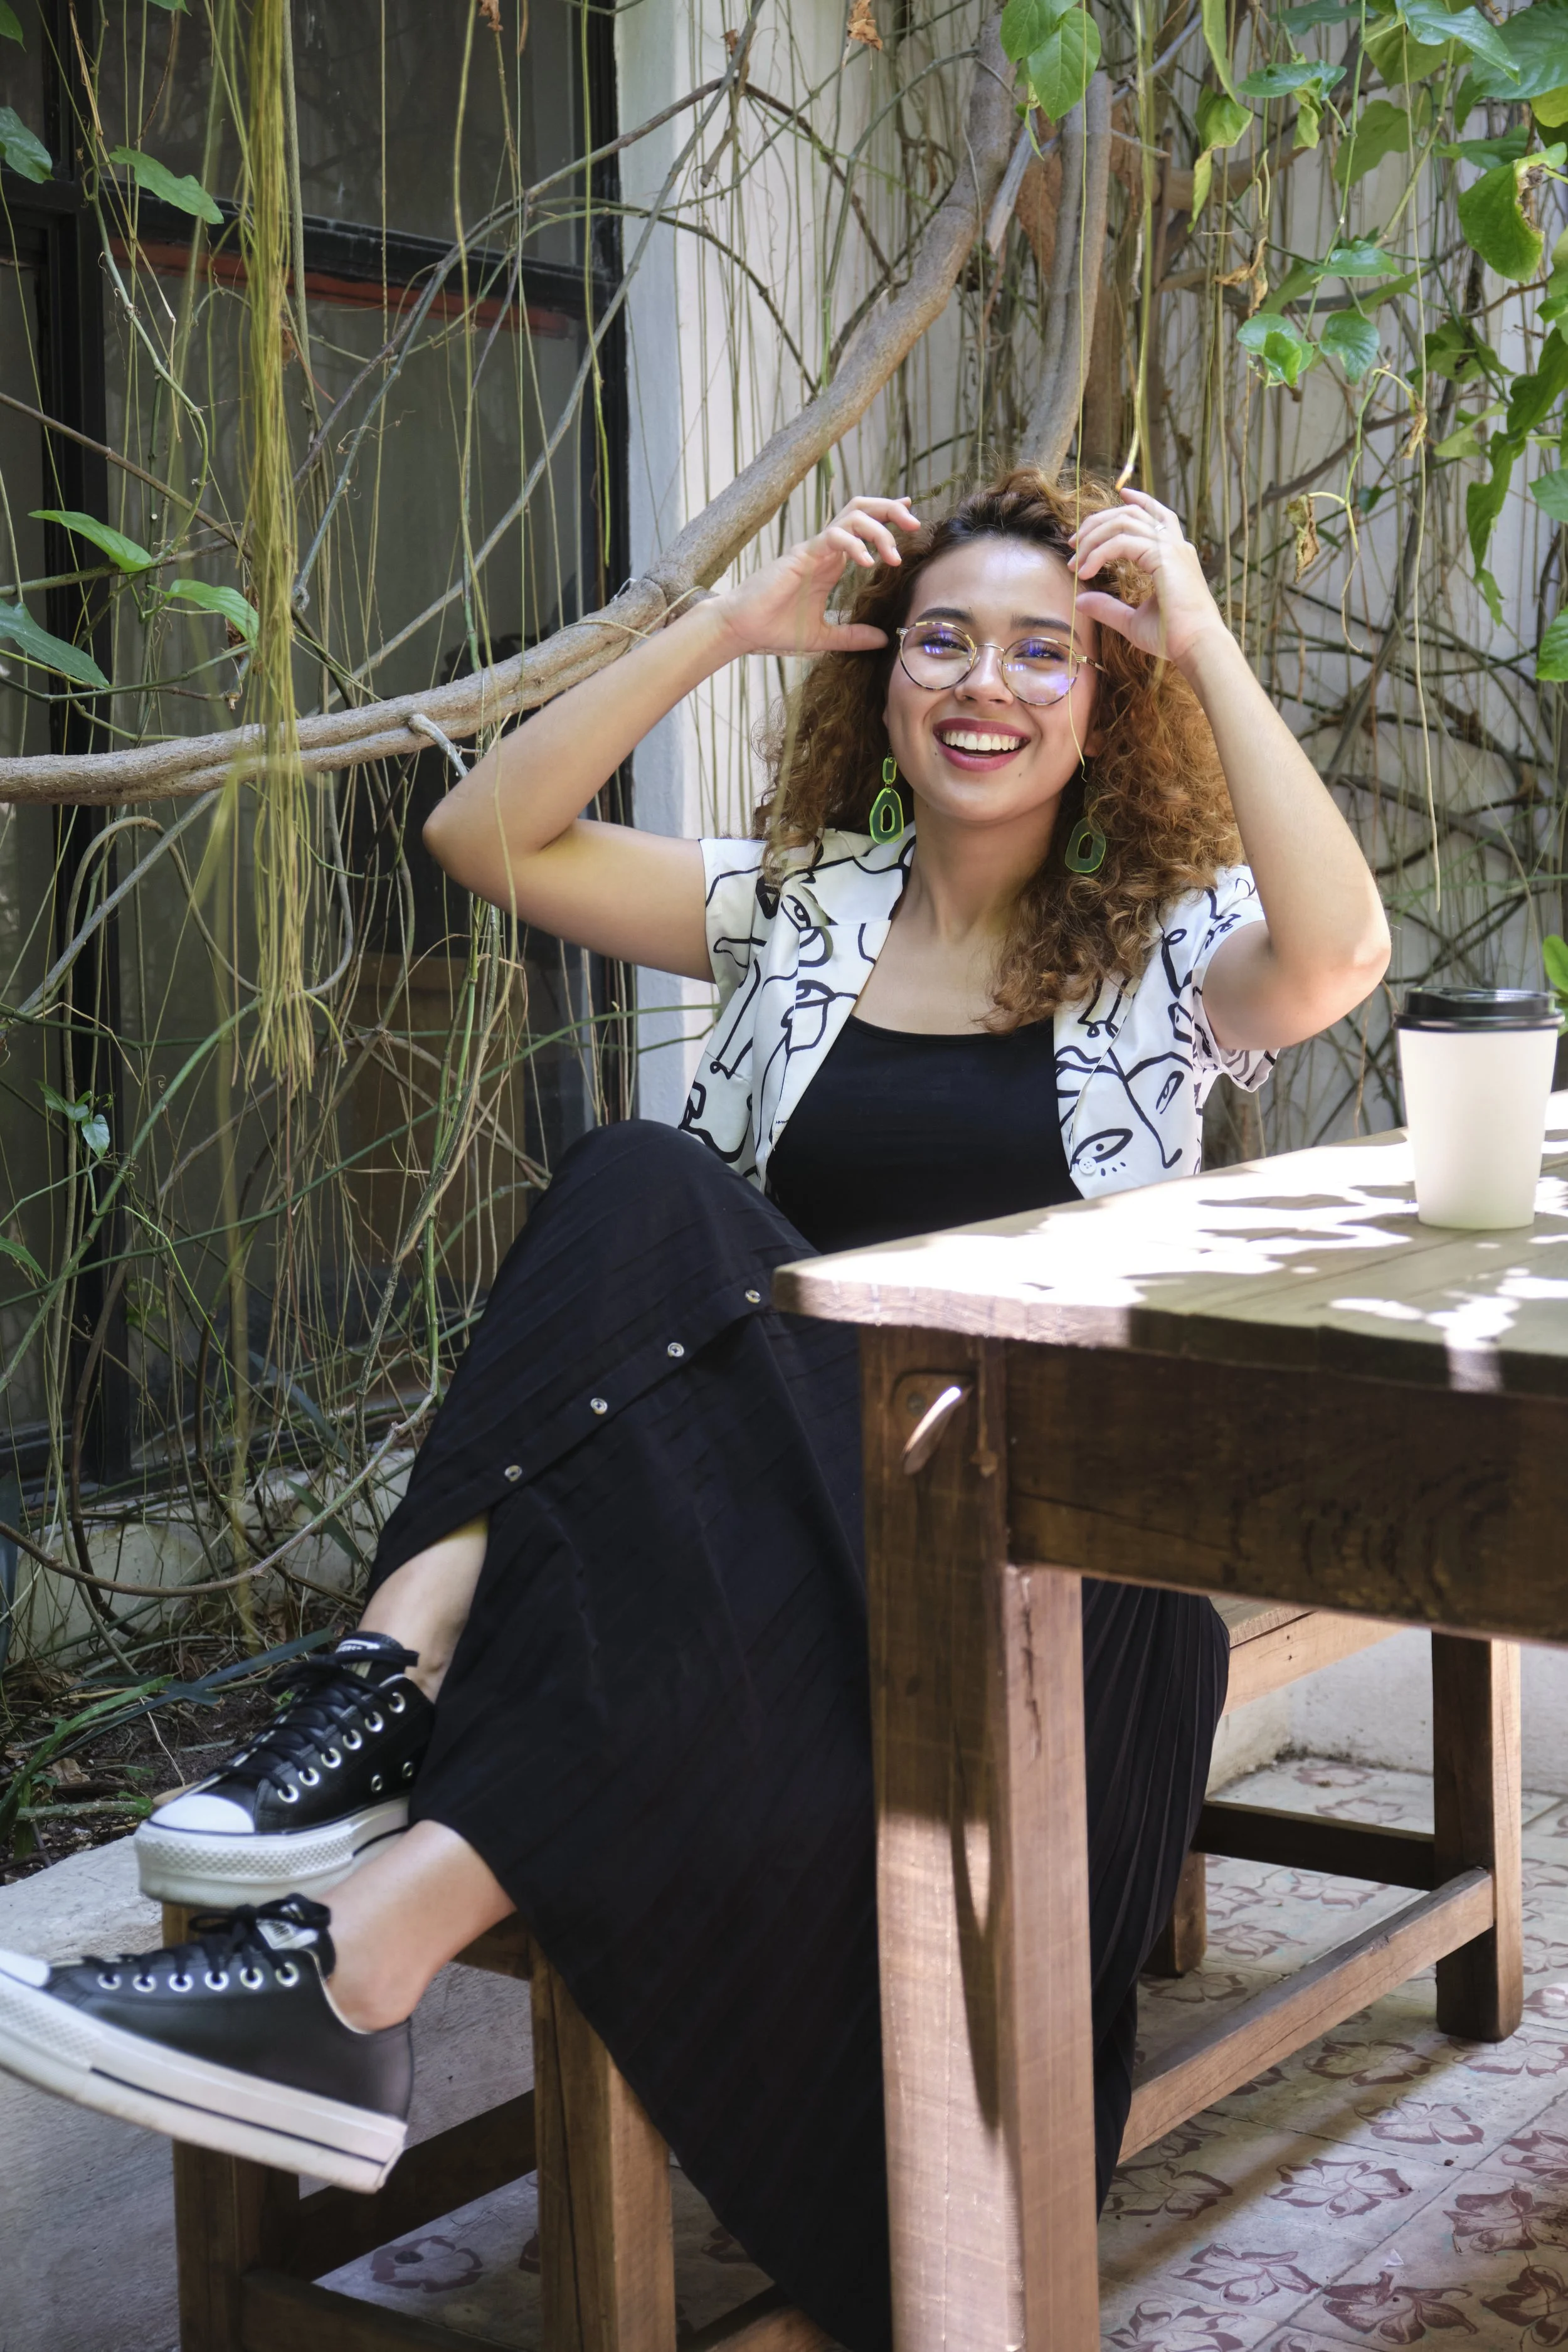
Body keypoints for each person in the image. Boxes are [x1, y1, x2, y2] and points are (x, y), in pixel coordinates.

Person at [0, 470, 1389, 2351]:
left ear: (1104, 701)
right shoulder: (793, 911)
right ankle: (365, 1840)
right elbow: (483, 831)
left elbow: (1339, 956)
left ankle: (358, 1850)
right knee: (644, 1185)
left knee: (648, 1198)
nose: (984, 683)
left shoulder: (1168, 942)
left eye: (1044, 652)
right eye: (942, 642)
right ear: (885, 680)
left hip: (1037, 1559)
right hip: (773, 1517)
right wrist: (724, 629)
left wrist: (1205, 634)